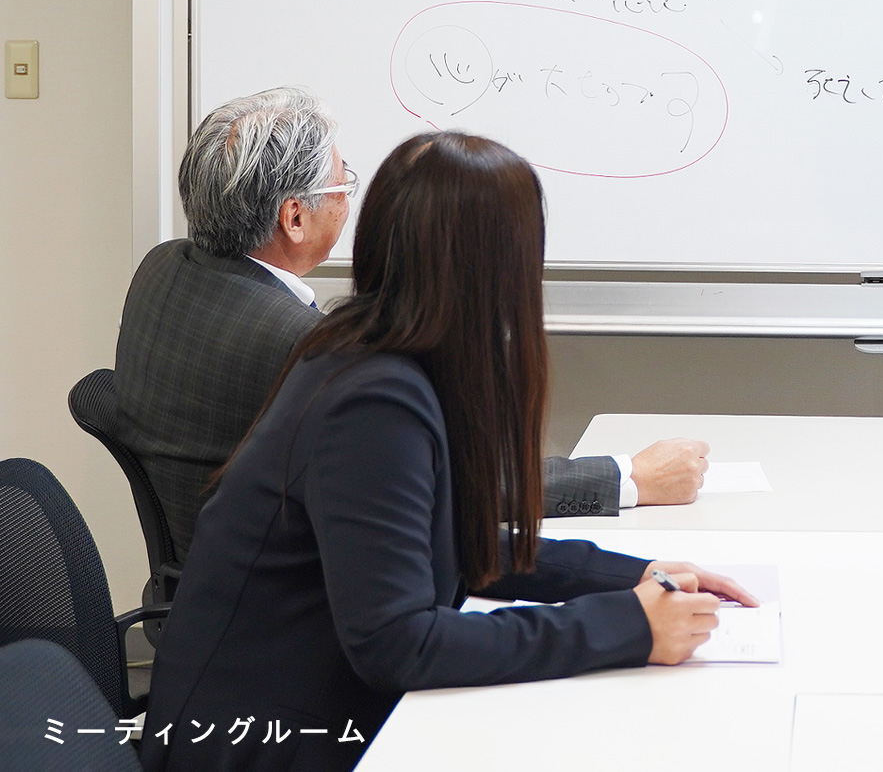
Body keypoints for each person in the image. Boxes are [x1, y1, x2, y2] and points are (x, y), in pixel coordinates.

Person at [140, 131, 756, 772]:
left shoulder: (376, 353)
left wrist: (629, 577)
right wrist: (626, 627)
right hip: (261, 745)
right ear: (500, 266)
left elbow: (449, 542)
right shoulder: (373, 399)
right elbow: (396, 642)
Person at [109, 88, 707, 561]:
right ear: (294, 217)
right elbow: (456, 494)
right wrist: (628, 477)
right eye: (343, 183)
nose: (349, 198)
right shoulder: (303, 350)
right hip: (302, 600)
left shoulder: (166, 266)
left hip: (214, 572)